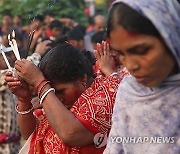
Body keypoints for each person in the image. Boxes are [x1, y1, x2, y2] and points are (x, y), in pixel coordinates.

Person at [5, 38, 127, 153]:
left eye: (61, 91)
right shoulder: (53, 97)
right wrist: (24, 100)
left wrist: (40, 85)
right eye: (53, 92)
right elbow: (28, 133)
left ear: (82, 80)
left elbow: (71, 134)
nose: (57, 98)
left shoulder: (108, 92)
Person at [104, 0, 180, 154]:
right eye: (121, 54)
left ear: (171, 37)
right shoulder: (128, 91)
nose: (131, 66)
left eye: (141, 50)